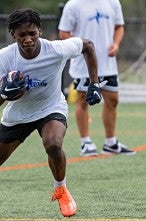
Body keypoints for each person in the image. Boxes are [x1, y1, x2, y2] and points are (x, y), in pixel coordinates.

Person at [0, 8, 102, 220]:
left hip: (50, 107)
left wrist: (94, 84)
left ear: (40, 32)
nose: (28, 39)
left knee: (53, 143)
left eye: (32, 34)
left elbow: (88, 46)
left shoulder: (56, 49)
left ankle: (61, 189)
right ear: (13, 35)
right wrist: (4, 94)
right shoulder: (5, 57)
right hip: (18, 113)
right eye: (22, 35)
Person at [58, 0, 136, 156]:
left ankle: (111, 143)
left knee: (113, 100)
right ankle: (85, 142)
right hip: (83, 66)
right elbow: (64, 32)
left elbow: (119, 27)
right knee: (83, 100)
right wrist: (80, 48)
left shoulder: (113, 2)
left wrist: (116, 44)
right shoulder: (73, 5)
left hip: (108, 64)